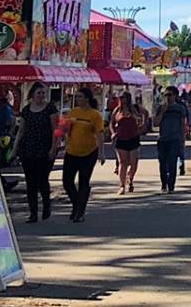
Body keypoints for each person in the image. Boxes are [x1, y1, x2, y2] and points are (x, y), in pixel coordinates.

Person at [16, 83, 60, 222]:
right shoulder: (26, 110)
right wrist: (14, 149)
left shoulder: (50, 109)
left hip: (44, 147)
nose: (41, 96)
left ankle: (46, 204)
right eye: (39, 93)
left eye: (43, 93)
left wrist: (54, 147)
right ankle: (33, 212)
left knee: (42, 179)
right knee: (30, 182)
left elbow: (56, 130)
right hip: (28, 148)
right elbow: (21, 131)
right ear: (32, 95)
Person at [61, 88, 105, 221]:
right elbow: (63, 129)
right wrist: (63, 129)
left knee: (83, 182)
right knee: (67, 181)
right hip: (72, 151)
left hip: (89, 152)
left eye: (80, 97)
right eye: (77, 97)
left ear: (87, 98)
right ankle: (77, 205)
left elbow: (99, 134)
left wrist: (101, 153)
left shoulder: (95, 115)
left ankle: (80, 212)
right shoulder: (73, 112)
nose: (78, 99)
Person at [154, 86, 191, 193]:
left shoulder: (180, 108)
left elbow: (183, 124)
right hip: (162, 139)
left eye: (170, 95)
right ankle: (163, 184)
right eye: (165, 95)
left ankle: (171, 185)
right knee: (162, 163)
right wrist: (163, 112)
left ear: (175, 96)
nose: (167, 97)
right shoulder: (161, 108)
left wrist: (183, 139)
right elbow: (156, 123)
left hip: (175, 139)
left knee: (172, 162)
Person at [112, 95, 144, 194]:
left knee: (133, 163)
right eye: (121, 98)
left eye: (124, 98)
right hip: (121, 138)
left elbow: (144, 115)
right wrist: (113, 133)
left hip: (133, 138)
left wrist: (141, 126)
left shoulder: (134, 109)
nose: (123, 100)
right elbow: (111, 122)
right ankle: (122, 186)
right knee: (122, 162)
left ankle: (130, 178)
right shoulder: (117, 110)